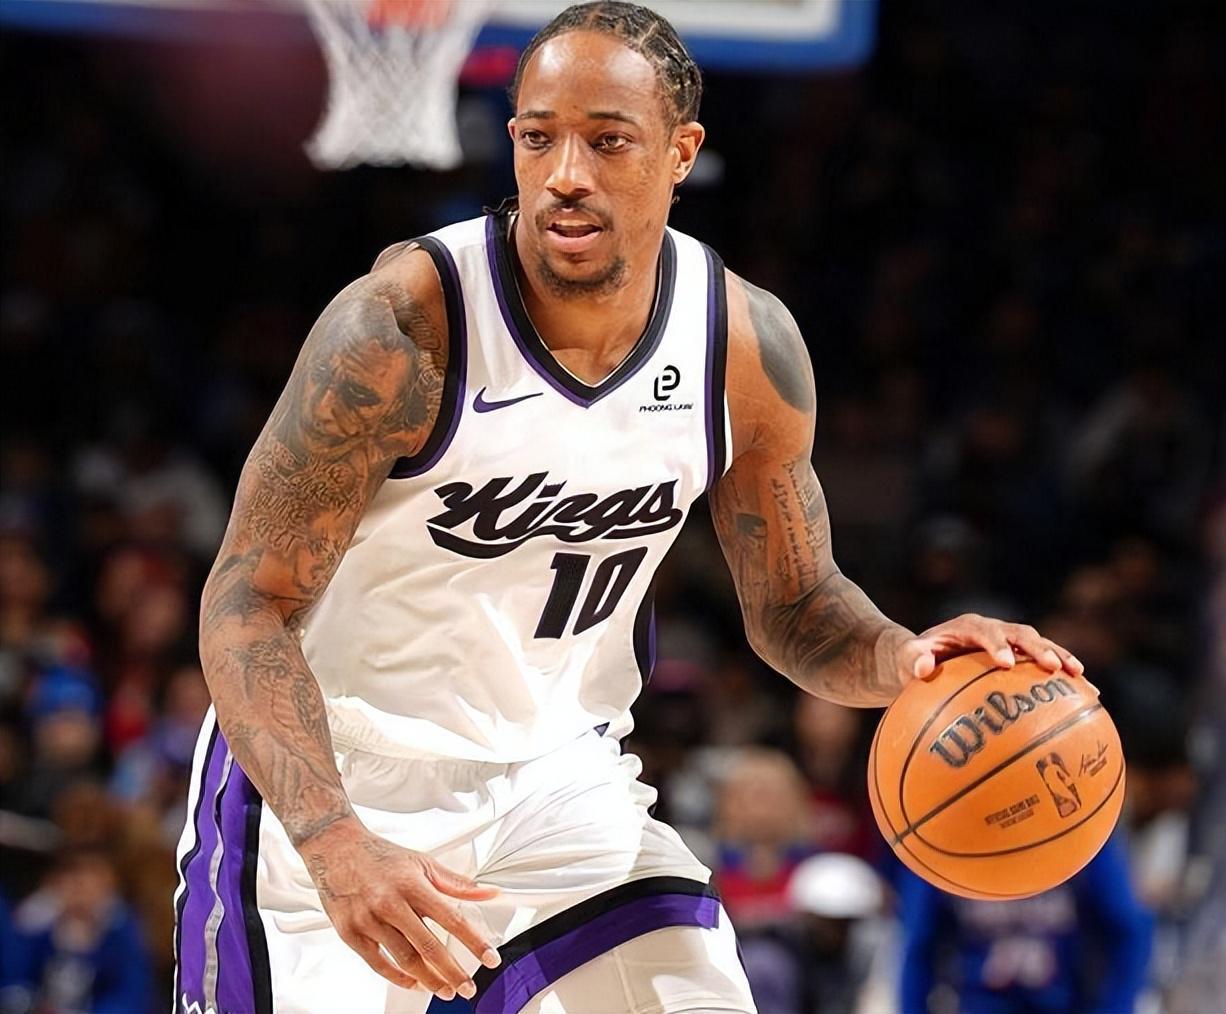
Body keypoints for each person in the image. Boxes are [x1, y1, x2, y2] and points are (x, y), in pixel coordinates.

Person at [174, 3, 1084, 1011]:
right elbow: (246, 604)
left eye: (607, 141)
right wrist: (334, 840)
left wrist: (909, 661)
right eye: (538, 138)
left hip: (557, 779)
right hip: (332, 781)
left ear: (679, 152)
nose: (566, 173)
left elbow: (795, 606)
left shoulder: (740, 347)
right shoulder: (400, 328)